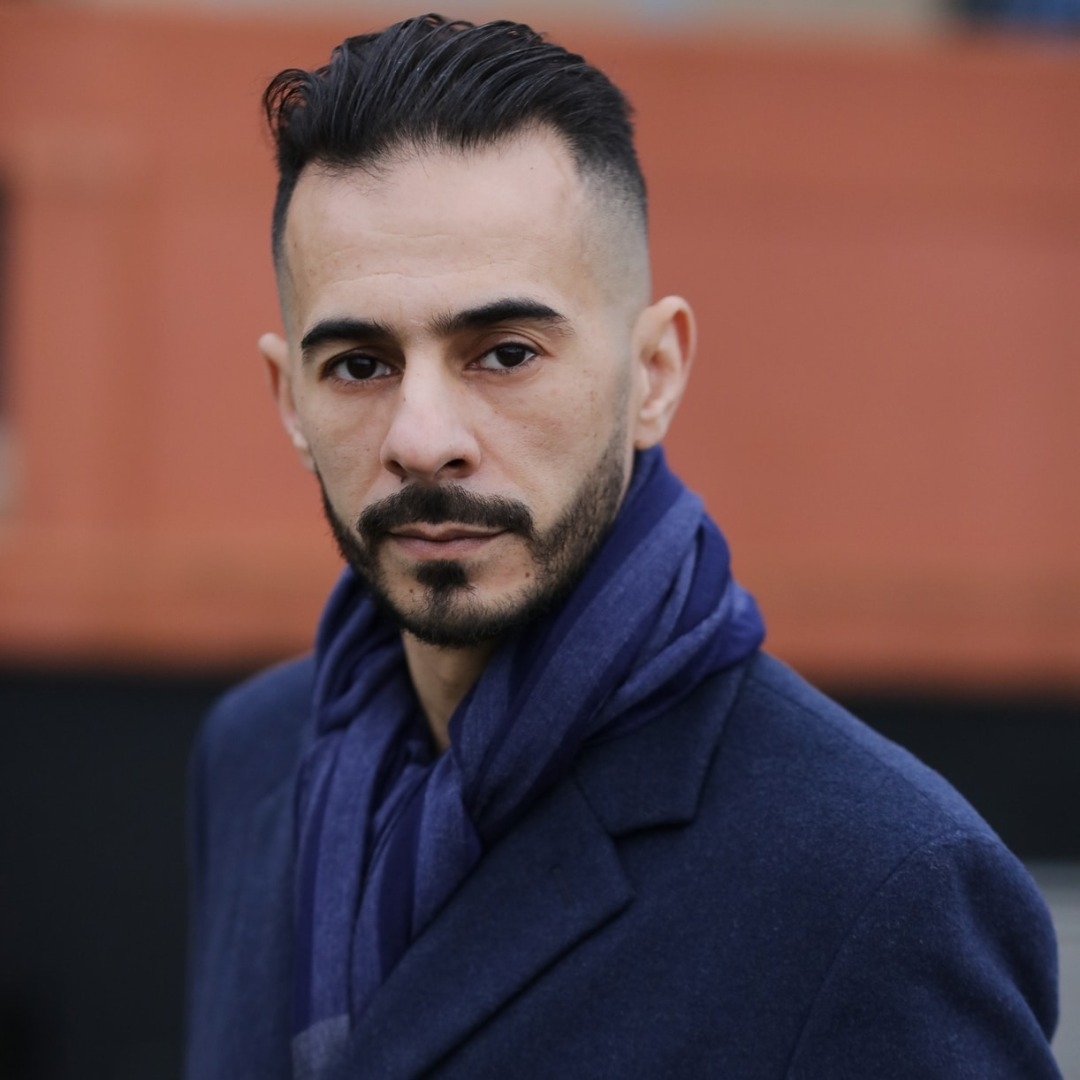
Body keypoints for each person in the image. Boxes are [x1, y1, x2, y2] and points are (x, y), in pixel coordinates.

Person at [185, 14, 1061, 1079]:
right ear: (289, 400)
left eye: (505, 353)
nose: (422, 439)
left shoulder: (882, 884)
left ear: (654, 376)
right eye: (360, 366)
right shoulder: (254, 758)